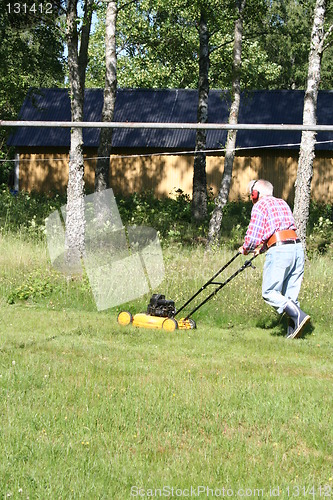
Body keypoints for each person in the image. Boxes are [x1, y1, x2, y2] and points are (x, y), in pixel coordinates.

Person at [238, 179, 310, 339]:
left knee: (269, 291)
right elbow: (278, 233)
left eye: (251, 194)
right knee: (290, 295)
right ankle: (293, 333)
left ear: (256, 194)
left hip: (280, 250)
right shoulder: (282, 203)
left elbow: (253, 236)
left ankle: (299, 315)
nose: (251, 197)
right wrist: (261, 250)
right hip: (296, 247)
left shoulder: (260, 206)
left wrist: (245, 249)